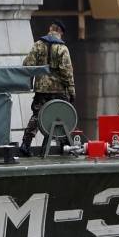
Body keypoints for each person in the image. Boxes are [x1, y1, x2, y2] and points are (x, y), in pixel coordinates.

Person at [18, 22, 75, 155]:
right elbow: (67, 72)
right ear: (60, 31)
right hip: (58, 89)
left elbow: (27, 64)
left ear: (50, 29)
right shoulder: (62, 48)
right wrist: (72, 90)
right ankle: (65, 146)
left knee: (37, 116)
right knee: (62, 116)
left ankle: (25, 144)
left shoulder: (38, 45)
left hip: (41, 88)